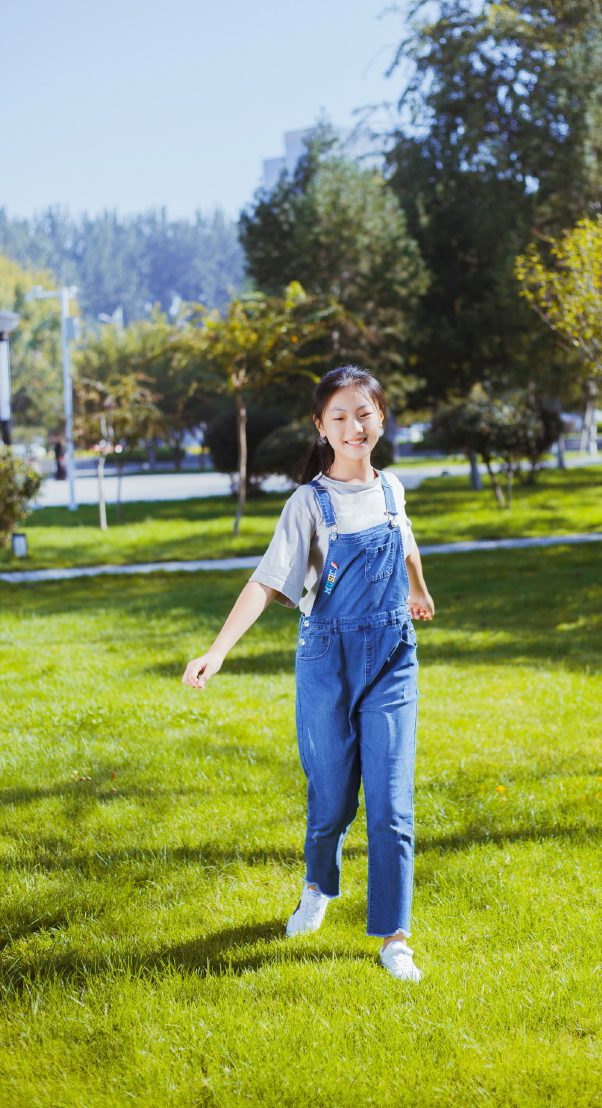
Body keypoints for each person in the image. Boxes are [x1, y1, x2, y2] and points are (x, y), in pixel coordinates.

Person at [182, 365, 435, 982]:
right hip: (327, 661)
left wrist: (418, 589)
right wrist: (218, 650)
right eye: (340, 416)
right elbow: (267, 581)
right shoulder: (309, 502)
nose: (354, 426)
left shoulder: (393, 489)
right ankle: (318, 886)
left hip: (392, 660)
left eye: (364, 413)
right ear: (321, 426)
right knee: (331, 800)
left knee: (393, 806)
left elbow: (404, 540)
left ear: (381, 418)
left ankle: (395, 937)